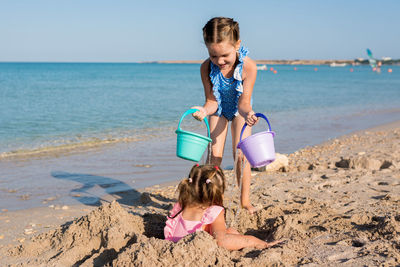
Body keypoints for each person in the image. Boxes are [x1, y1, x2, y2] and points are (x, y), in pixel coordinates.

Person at [191, 17, 259, 213]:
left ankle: (244, 200)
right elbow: (212, 101)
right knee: (214, 156)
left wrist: (249, 114)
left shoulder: (248, 67)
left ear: (237, 44)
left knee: (241, 154)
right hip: (218, 110)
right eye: (213, 56)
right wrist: (204, 111)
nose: (219, 61)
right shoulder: (206, 67)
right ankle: (213, 201)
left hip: (241, 111)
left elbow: (244, 102)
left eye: (224, 55)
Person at [164, 164, 281, 250]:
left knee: (230, 231)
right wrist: (258, 242)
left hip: (173, 248)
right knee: (228, 234)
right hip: (196, 249)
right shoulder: (213, 211)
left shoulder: (180, 206)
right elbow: (222, 240)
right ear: (218, 192)